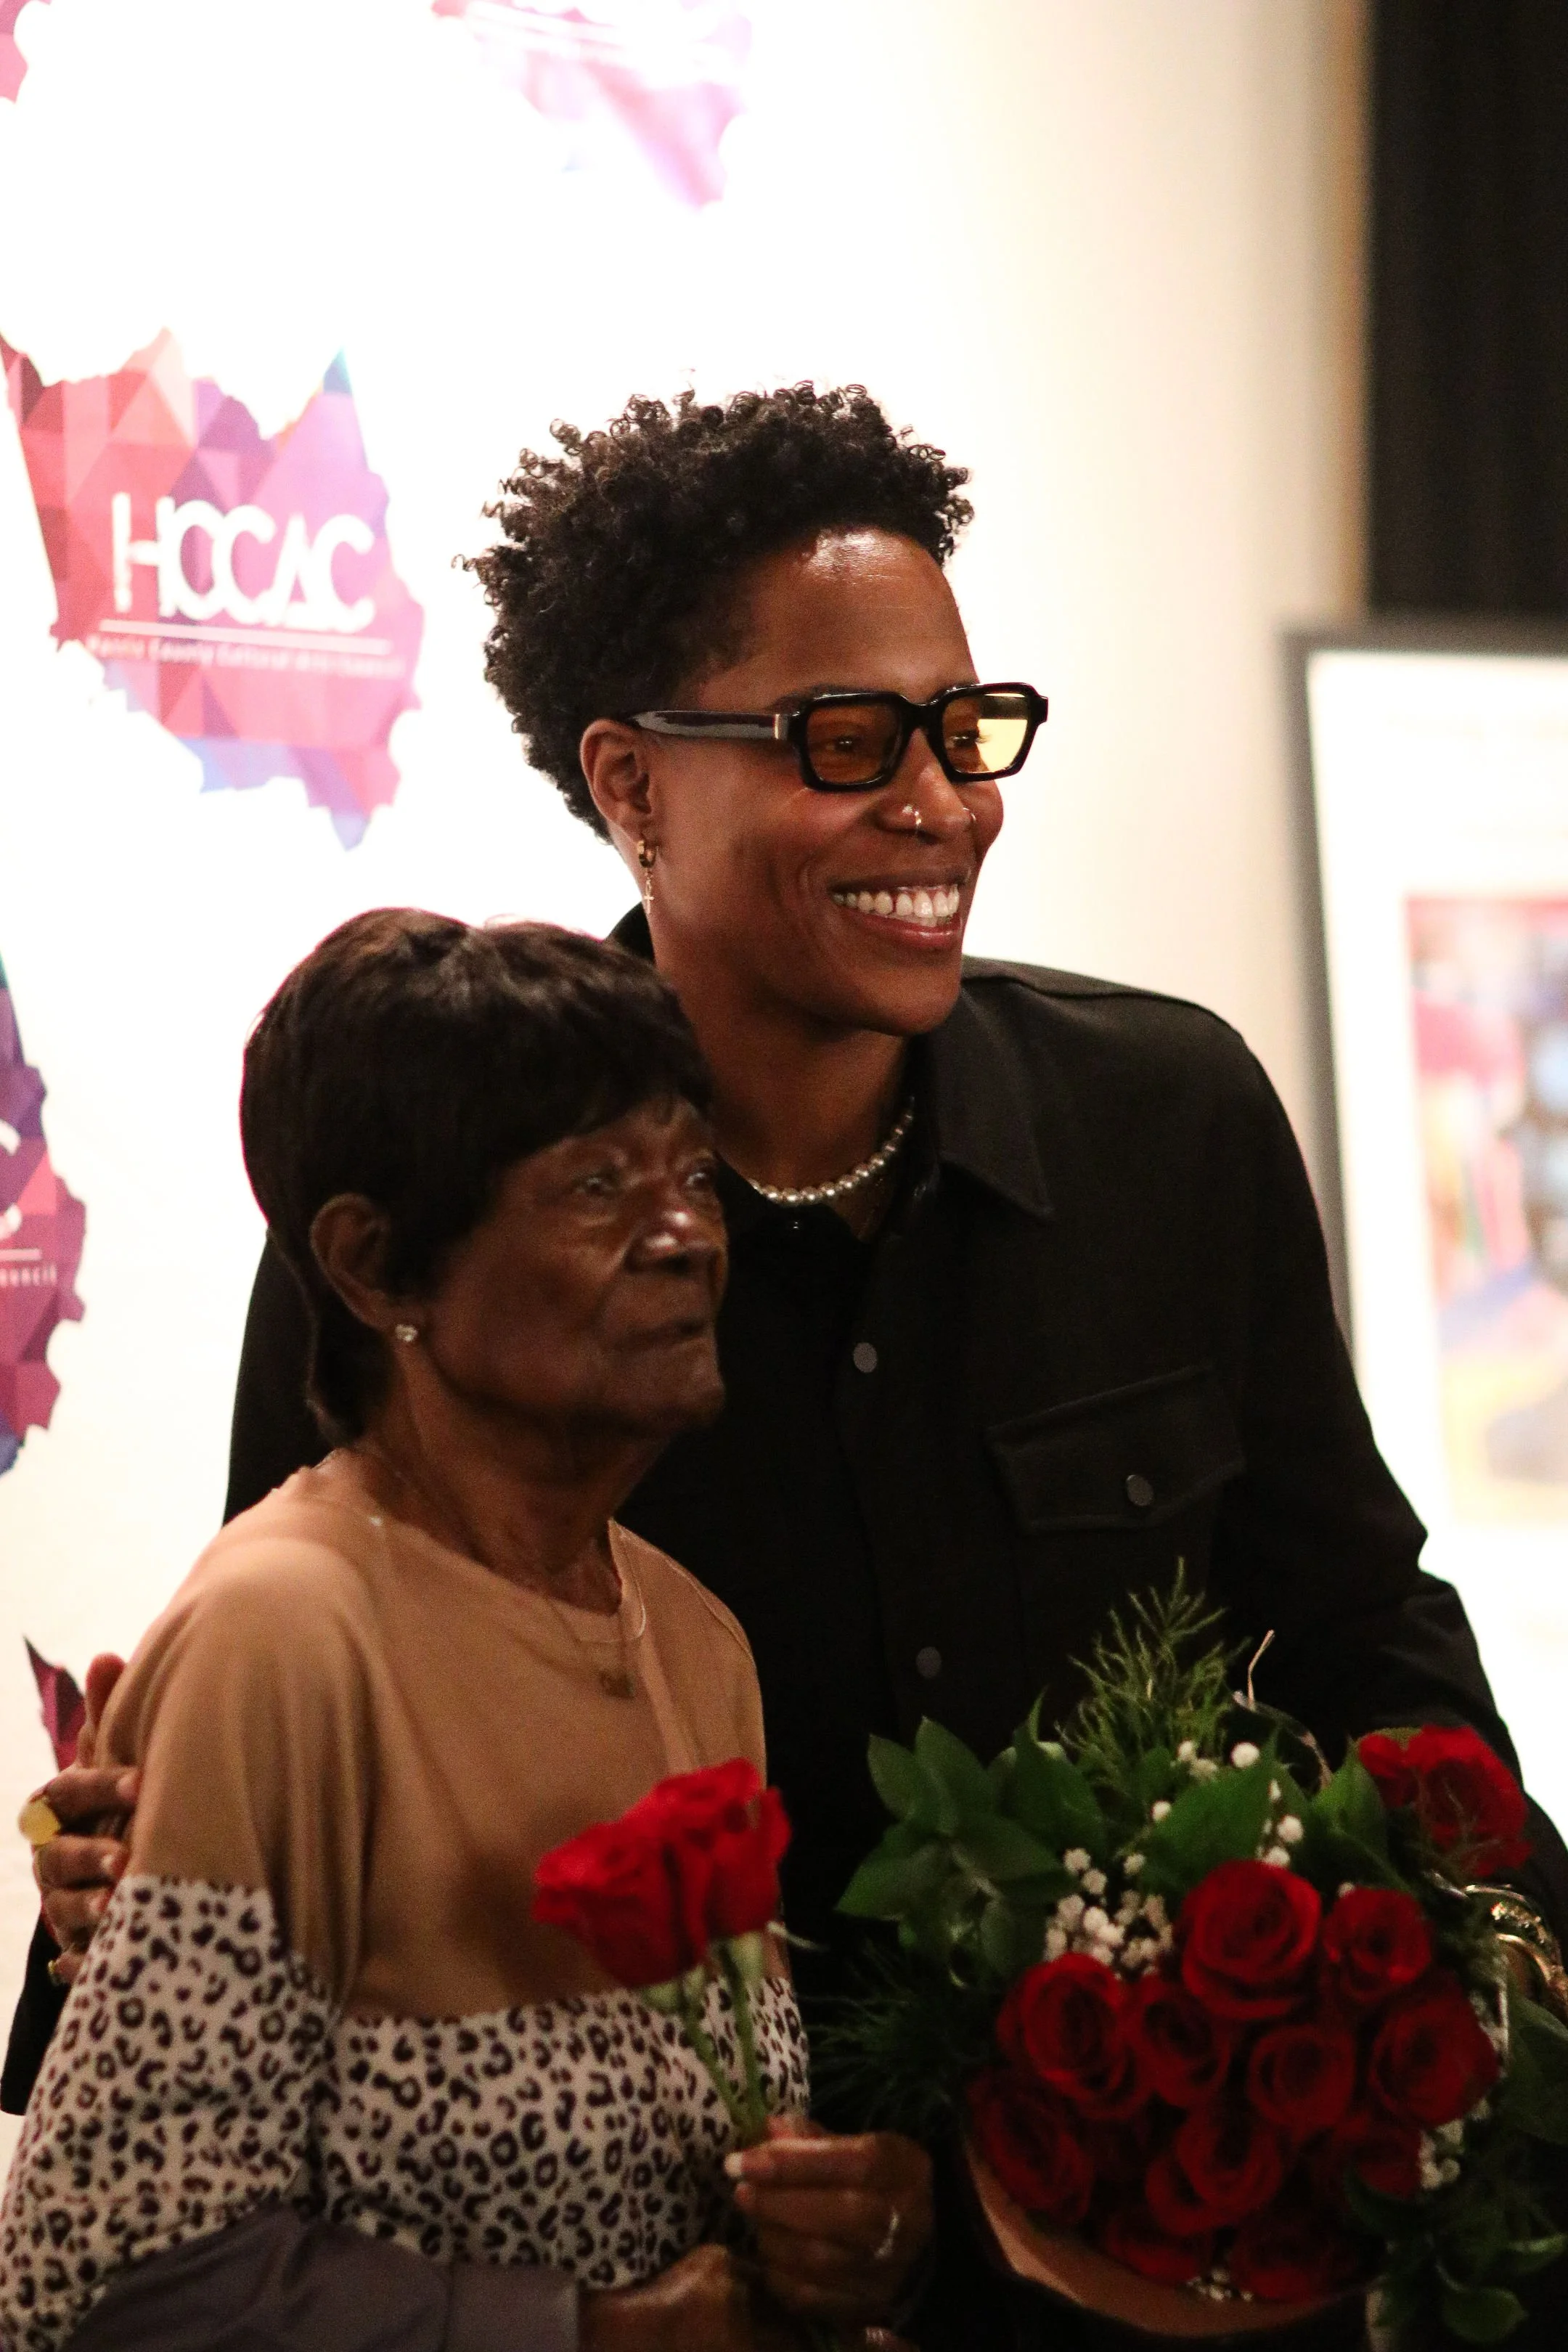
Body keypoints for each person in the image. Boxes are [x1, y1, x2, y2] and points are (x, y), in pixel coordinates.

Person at [13, 385, 1568, 2345]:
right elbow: (282, 1725)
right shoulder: (437, 1225)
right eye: (848, 740)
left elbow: (1363, 1634)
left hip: (1162, 2276)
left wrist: (1501, 2004)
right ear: (635, 784)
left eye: (967, 726)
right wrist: (134, 1888)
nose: (941, 799)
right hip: (688, 2297)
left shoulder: (1169, 1125)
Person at [0, 911, 931, 2352]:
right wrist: (601, 2334)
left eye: (695, 1173)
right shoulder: (286, 1635)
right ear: (376, 1271)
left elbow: (697, 2158)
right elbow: (113, 2277)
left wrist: (829, 2229)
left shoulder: (695, 1642)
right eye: (598, 1185)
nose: (684, 1233)